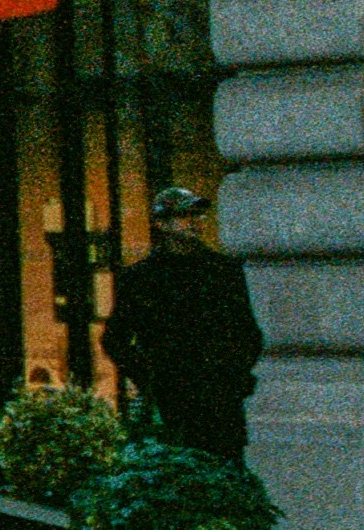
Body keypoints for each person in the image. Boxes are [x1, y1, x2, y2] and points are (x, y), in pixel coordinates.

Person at [103, 189, 265, 463]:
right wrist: (150, 377)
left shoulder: (224, 270)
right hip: (170, 401)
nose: (194, 221)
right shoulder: (141, 278)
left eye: (196, 214)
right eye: (183, 215)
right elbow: (115, 339)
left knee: (223, 475)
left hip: (219, 400)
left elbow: (248, 333)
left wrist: (233, 377)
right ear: (161, 224)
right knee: (174, 475)